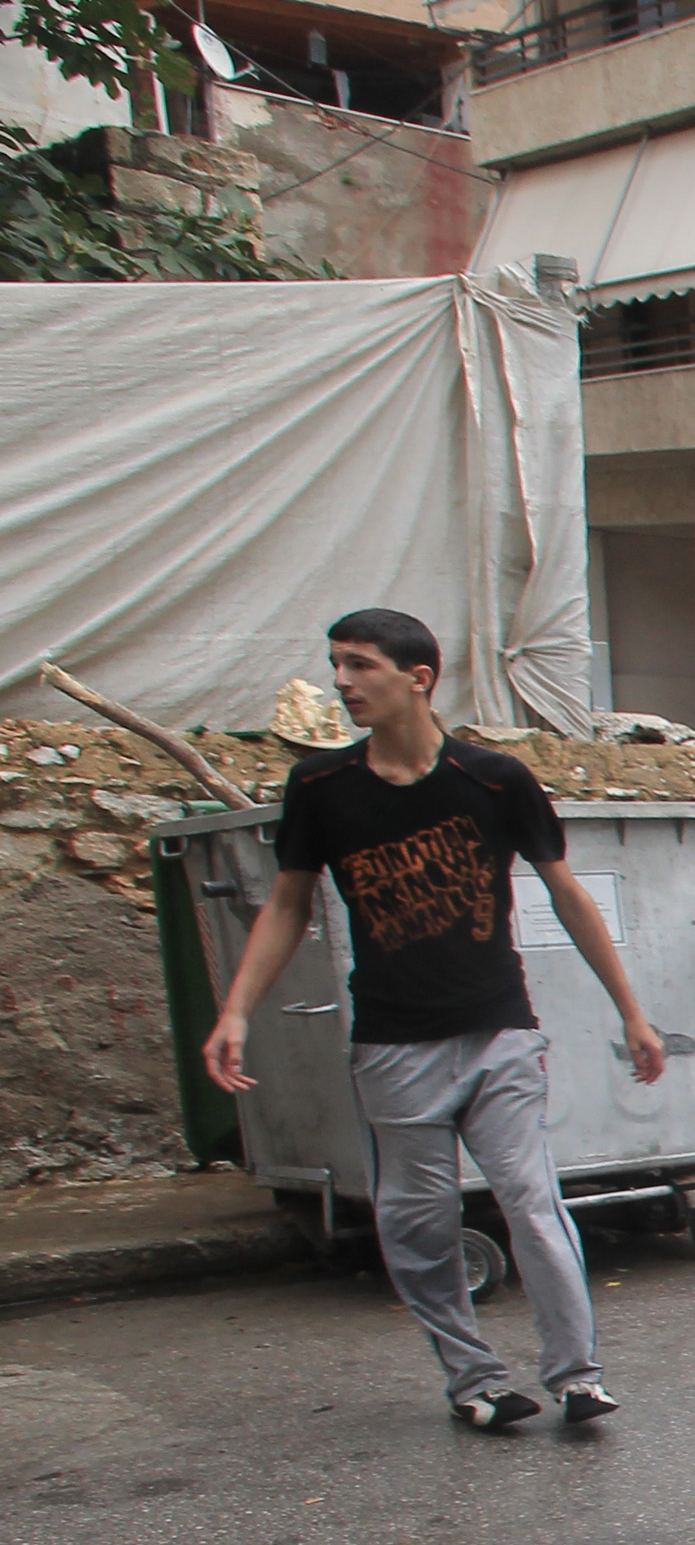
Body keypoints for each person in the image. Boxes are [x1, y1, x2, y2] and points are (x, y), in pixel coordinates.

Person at [204, 608, 669, 1430]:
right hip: (390, 1043)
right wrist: (237, 1009)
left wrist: (632, 1012)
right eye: (335, 665)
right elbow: (287, 906)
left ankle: (577, 1375)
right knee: (417, 1223)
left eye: (359, 666)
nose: (341, 683)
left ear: (418, 678)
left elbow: (567, 894)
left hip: (499, 1031)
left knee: (530, 1199)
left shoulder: (495, 780)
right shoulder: (321, 788)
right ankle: (474, 1381)